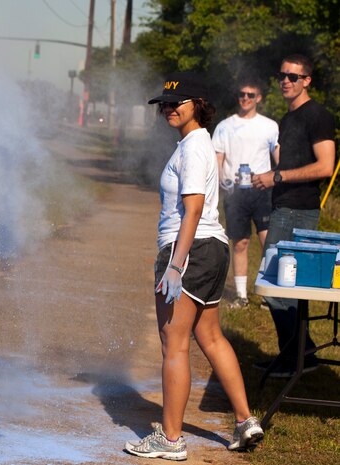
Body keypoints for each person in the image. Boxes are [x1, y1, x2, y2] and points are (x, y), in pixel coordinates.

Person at [124, 72, 263, 461]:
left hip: (190, 250)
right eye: (165, 104)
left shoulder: (194, 146)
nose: (169, 108)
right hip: (211, 250)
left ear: (197, 104)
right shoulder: (194, 143)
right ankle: (245, 420)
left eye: (177, 103)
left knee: (174, 344)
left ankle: (170, 440)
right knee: (211, 337)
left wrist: (174, 264)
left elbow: (194, 208)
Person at [251, 54, 335, 377]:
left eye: (294, 77)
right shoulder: (287, 120)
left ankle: (299, 356)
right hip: (282, 206)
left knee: (277, 287)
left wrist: (278, 177)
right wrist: (271, 177)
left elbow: (325, 167)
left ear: (307, 80)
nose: (286, 81)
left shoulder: (319, 116)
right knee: (280, 288)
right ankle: (299, 354)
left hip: (299, 211)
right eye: (282, 75)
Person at [212, 78, 279, 308]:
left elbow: (279, 159)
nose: (246, 98)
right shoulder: (225, 126)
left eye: (251, 95)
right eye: (242, 94)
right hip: (235, 191)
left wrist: (278, 180)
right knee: (239, 242)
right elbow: (218, 158)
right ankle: (241, 295)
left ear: (258, 98)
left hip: (262, 189)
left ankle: (268, 294)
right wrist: (221, 183)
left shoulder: (270, 126)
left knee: (268, 242)